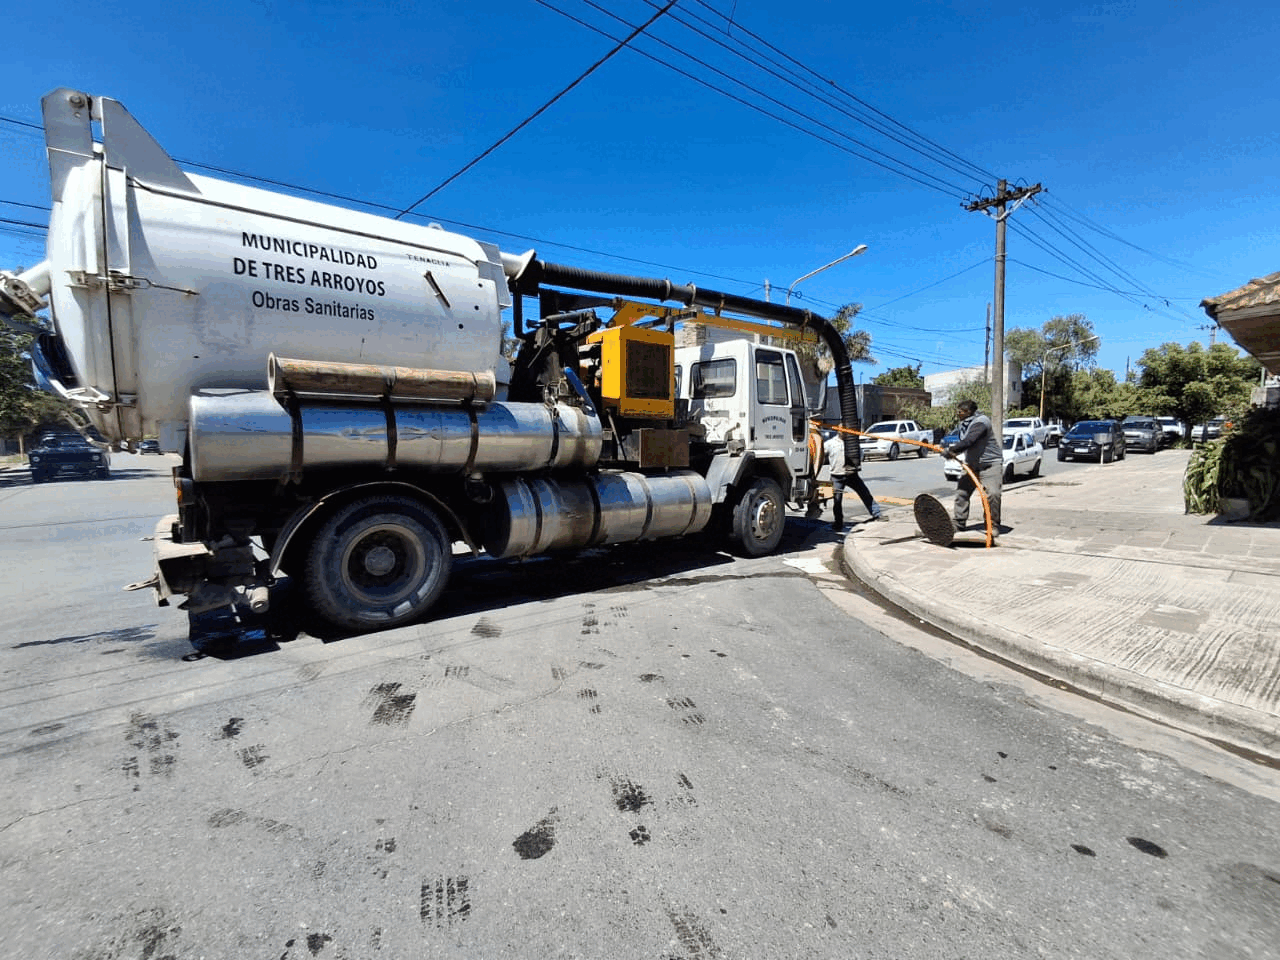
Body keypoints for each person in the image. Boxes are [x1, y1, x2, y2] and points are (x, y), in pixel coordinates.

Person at [942, 399, 1002, 532]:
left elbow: (970, 440)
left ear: (968, 412)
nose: (958, 414)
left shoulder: (981, 422)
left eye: (960, 412)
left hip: (990, 465)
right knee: (962, 493)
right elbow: (965, 443)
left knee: (993, 494)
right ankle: (958, 523)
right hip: (972, 465)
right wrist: (946, 449)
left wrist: (952, 451)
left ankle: (992, 525)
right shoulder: (964, 425)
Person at [823, 429, 881, 530]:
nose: (845, 433)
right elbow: (820, 455)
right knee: (837, 501)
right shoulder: (830, 444)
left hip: (852, 475)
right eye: (843, 431)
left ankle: (877, 514)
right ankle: (838, 523)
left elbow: (861, 454)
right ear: (839, 431)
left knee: (865, 493)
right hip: (837, 476)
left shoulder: (852, 443)